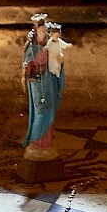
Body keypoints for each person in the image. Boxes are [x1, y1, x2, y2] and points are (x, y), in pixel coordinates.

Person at [22, 14, 67, 161]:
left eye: (45, 32)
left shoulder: (50, 45)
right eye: (40, 32)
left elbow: (58, 59)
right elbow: (28, 65)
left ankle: (46, 144)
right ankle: (35, 142)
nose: (43, 35)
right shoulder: (32, 48)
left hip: (50, 81)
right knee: (41, 111)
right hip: (39, 84)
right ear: (35, 33)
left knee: (50, 110)